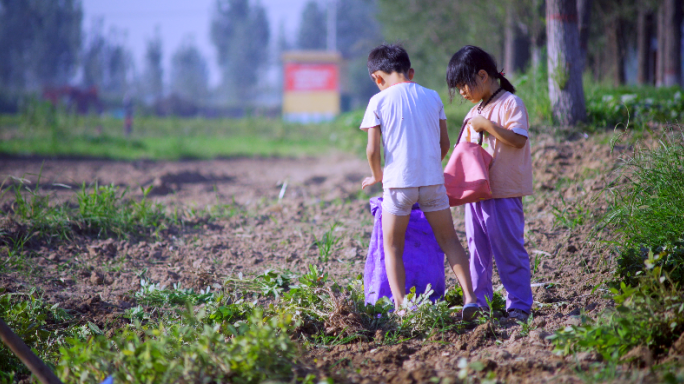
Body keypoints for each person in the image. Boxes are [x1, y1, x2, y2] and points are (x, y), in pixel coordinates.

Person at [360, 44, 478, 319]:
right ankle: (470, 298)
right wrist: (429, 169)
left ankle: (402, 306)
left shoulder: (378, 101)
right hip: (432, 182)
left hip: (398, 185)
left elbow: (372, 150)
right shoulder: (432, 96)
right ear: (408, 70)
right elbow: (445, 142)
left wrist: (377, 175)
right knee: (450, 241)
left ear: (378, 78)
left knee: (392, 246)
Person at [445, 45, 534, 321]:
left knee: (508, 248)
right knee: (476, 250)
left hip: (503, 192)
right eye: (457, 87)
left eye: (463, 85)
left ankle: (519, 304)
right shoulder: (475, 111)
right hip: (476, 193)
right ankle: (478, 303)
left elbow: (519, 139)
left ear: (483, 75)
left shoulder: (510, 103)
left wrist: (487, 126)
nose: (462, 92)